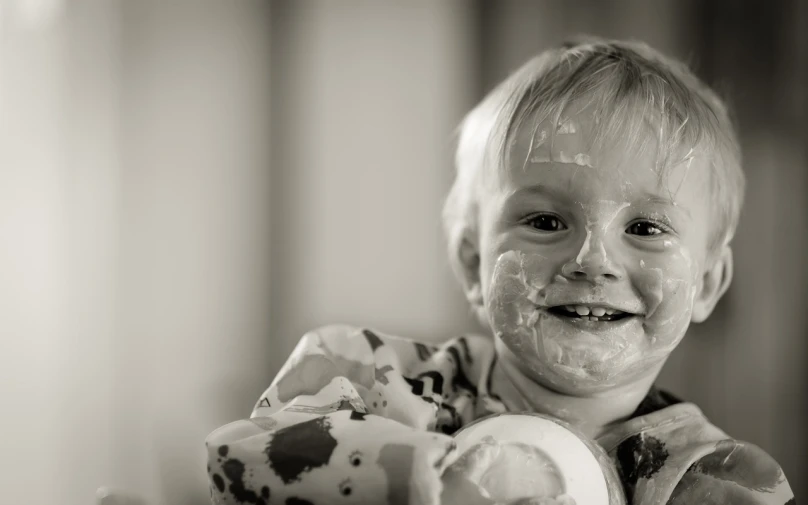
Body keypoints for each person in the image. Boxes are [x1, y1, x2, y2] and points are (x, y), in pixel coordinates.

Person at [204, 37, 795, 505]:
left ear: (709, 283)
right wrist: (435, 480)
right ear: (471, 262)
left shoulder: (717, 483)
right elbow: (241, 457)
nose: (592, 259)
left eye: (645, 228)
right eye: (544, 220)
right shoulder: (366, 378)